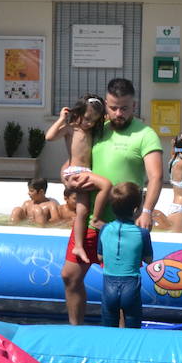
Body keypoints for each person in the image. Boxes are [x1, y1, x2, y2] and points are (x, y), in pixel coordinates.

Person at [60, 78, 163, 324]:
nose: (118, 113)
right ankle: (77, 331)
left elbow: (157, 176)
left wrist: (147, 210)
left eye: (125, 108)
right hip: (91, 220)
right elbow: (73, 162)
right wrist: (67, 180)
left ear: (134, 105)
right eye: (114, 107)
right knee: (69, 276)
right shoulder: (95, 128)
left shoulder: (145, 134)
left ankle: (119, 342)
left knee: (119, 290)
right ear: (106, 104)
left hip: (122, 225)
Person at [46, 95, 113, 263]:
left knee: (82, 212)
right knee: (106, 185)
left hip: (84, 171)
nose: (89, 123)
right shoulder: (71, 129)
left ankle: (79, 246)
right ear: (79, 112)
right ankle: (97, 219)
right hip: (75, 171)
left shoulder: (91, 131)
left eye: (94, 120)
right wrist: (61, 119)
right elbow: (49, 137)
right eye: (87, 118)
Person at [97, 182, 154, 328]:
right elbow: (149, 260)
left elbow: (100, 257)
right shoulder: (143, 233)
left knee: (109, 330)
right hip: (131, 286)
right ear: (136, 209)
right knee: (133, 332)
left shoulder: (104, 229)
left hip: (109, 285)